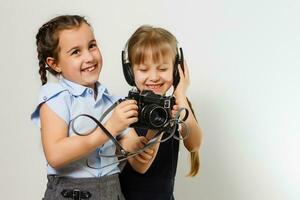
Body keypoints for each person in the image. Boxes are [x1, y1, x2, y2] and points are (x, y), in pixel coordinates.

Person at [31, 15, 158, 200]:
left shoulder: (111, 101)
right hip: (70, 193)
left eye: (92, 46)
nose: (89, 57)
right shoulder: (56, 97)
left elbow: (134, 154)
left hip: (112, 191)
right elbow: (55, 155)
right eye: (76, 52)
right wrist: (109, 128)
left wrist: (144, 140)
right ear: (54, 64)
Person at [119, 25, 203, 200]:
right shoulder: (124, 109)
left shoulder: (178, 106)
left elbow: (194, 144)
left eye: (163, 69)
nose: (154, 77)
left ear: (175, 69)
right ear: (129, 72)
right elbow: (141, 163)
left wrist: (180, 94)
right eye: (143, 70)